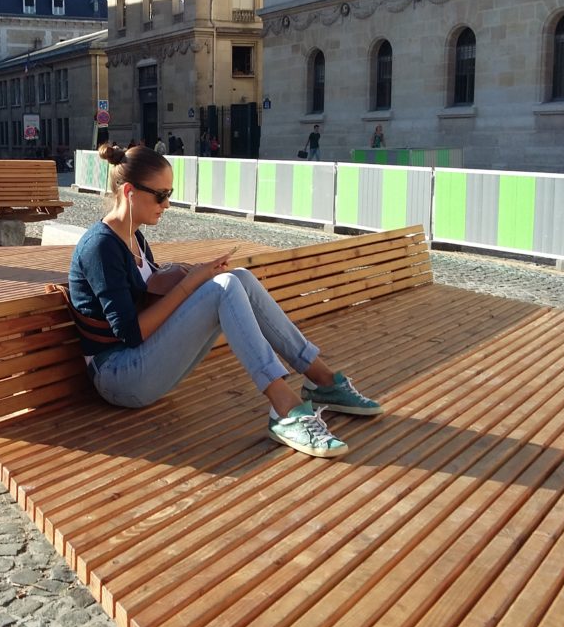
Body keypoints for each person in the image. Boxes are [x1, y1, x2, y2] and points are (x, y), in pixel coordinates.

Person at [67, 144, 383, 458]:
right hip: (119, 377)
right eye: (160, 195)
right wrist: (191, 285)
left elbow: (145, 299)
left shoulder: (134, 236)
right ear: (129, 192)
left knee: (240, 277)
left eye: (170, 193)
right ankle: (286, 409)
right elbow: (131, 333)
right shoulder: (101, 247)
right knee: (223, 286)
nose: (167, 204)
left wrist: (184, 276)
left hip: (143, 364)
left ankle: (322, 379)